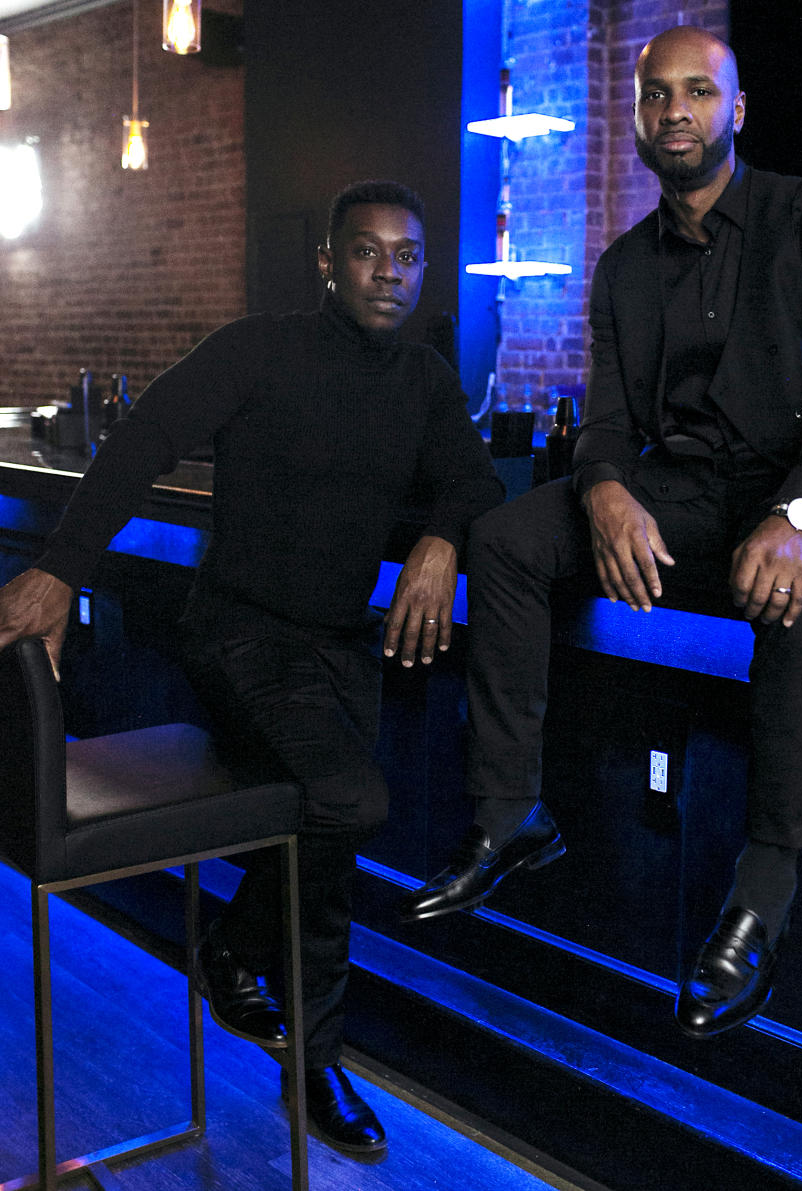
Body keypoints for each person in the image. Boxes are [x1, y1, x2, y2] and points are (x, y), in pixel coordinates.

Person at [399, 26, 802, 1039]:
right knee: (506, 539)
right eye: (655, 96)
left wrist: (799, 513)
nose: (674, 112)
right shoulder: (624, 267)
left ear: (736, 111)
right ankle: (511, 817)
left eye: (697, 93)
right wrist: (601, 489)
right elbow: (604, 422)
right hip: (686, 485)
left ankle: (763, 894)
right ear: (637, 116)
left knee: (794, 585)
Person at [0, 180, 503, 1151]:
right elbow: (143, 437)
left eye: (407, 257)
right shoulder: (259, 349)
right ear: (327, 261)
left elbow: (473, 479)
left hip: (339, 653)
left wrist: (441, 538)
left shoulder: (426, 379)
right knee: (352, 802)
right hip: (238, 637)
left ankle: (238, 960)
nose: (388, 272)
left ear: (424, 270)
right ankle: (312, 1063)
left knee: (322, 832)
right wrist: (61, 567)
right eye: (367, 252)